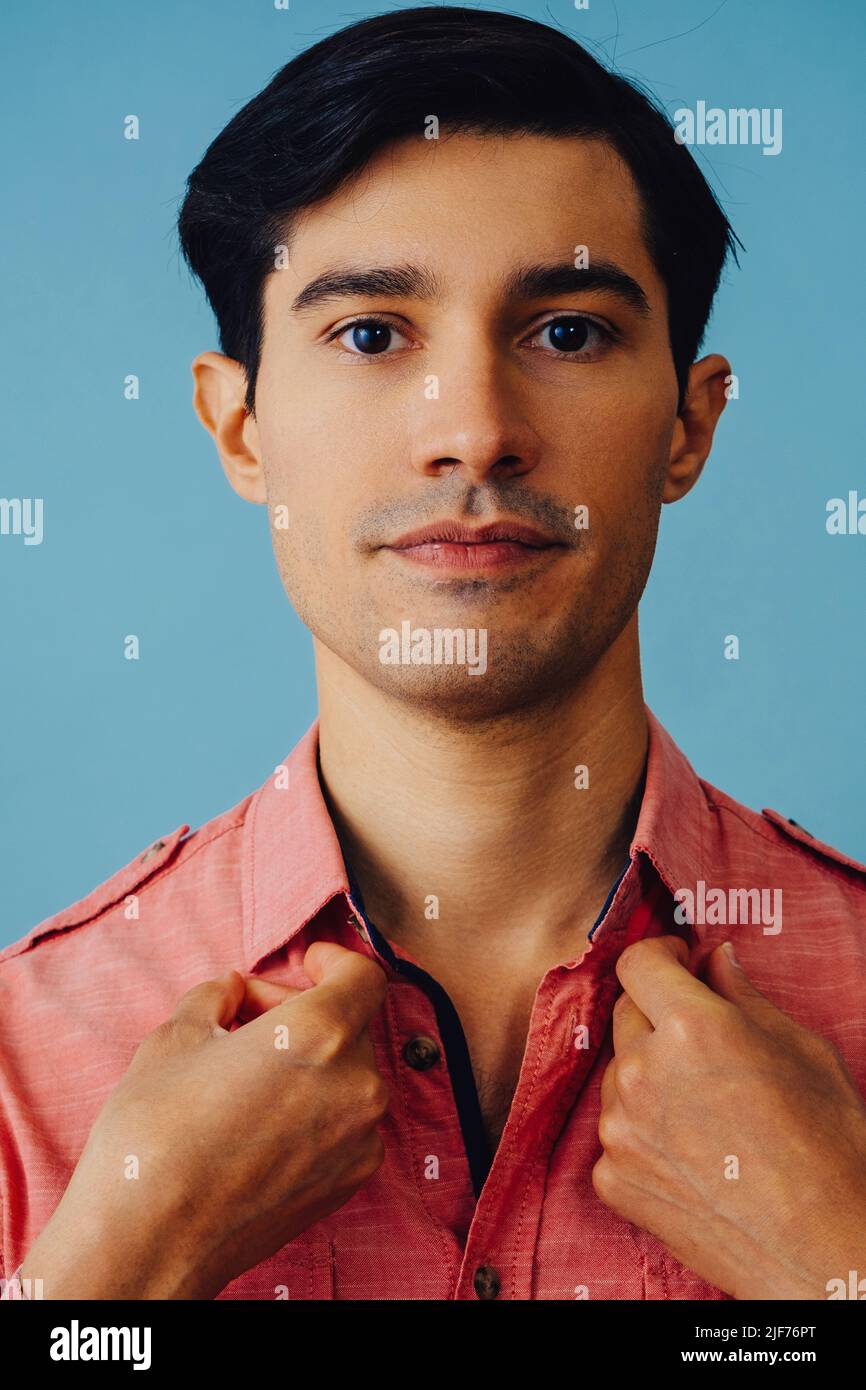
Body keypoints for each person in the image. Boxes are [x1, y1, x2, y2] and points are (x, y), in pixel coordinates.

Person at [3, 6, 866, 1303]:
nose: (469, 430)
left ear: (687, 427)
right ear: (239, 430)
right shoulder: (24, 1051)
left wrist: (839, 1259)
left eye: (566, 330)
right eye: (369, 334)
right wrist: (116, 1273)